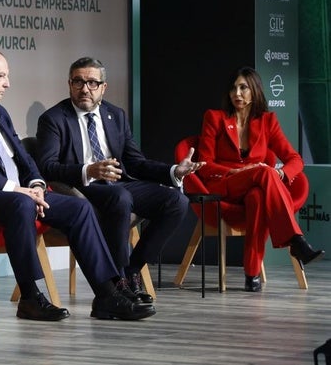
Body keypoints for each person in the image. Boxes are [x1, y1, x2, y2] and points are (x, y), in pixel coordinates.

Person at [0, 47, 156, 321]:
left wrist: (35, 183)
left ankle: (106, 294)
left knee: (78, 210)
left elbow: (23, 157)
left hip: (18, 191)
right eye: (1, 76)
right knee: (20, 203)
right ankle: (30, 296)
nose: (7, 83)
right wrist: (12, 187)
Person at [35, 57, 200, 302]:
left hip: (119, 183)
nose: (85, 89)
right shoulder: (54, 118)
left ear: (104, 87)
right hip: (83, 187)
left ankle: (131, 270)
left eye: (92, 83)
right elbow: (46, 166)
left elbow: (135, 162)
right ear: (69, 84)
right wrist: (88, 171)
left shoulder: (116, 115)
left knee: (176, 201)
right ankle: (117, 279)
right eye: (78, 82)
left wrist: (173, 172)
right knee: (120, 197)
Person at [197, 66, 324, 292]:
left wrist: (282, 172)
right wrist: (235, 172)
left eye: (243, 88)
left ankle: (252, 274)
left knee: (258, 196)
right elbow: (204, 163)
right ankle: (296, 241)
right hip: (226, 184)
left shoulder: (267, 121)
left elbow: (295, 159)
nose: (237, 93)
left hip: (255, 186)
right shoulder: (214, 118)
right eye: (233, 88)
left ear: (254, 91)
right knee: (265, 171)